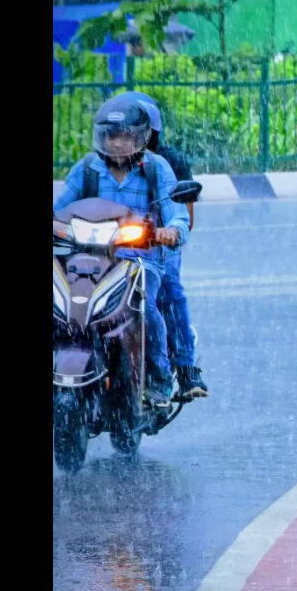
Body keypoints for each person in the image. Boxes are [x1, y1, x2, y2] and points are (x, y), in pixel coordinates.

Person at [53, 96, 190, 407]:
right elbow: (59, 210)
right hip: (88, 260)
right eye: (111, 135)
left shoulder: (157, 169)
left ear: (141, 137)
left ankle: (156, 377)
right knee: (59, 306)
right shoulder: (87, 168)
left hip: (139, 261)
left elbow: (177, 213)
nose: (117, 143)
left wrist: (172, 230)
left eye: (125, 135)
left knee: (148, 309)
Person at [117, 91, 209, 400]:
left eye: (135, 130)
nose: (127, 137)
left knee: (169, 288)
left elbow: (185, 219)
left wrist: (167, 232)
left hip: (158, 246)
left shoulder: (169, 163)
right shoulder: (104, 165)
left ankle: (185, 368)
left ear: (151, 132)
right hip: (114, 246)